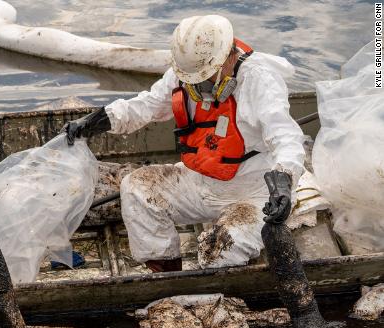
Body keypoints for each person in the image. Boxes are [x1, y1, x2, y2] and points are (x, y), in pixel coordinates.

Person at [65, 15, 304, 272]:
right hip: (200, 181)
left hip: (252, 194)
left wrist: (284, 181)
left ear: (228, 57)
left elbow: (286, 136)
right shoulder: (184, 74)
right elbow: (148, 105)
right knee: (136, 188)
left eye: (206, 77)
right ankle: (166, 273)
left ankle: (235, 264)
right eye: (194, 79)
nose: (199, 85)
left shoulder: (259, 79)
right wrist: (98, 120)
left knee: (218, 251)